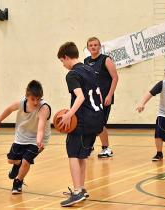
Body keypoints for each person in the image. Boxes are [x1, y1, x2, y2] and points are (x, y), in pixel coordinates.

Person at [57, 42, 104, 207]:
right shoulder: (89, 69)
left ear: (66, 57)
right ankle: (81, 188)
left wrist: (69, 114)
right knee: (82, 155)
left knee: (72, 154)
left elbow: (80, 97)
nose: (63, 65)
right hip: (97, 118)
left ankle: (77, 192)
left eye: (62, 61)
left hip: (83, 120)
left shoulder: (72, 74)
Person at [0, 80, 51, 194]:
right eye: (33, 99)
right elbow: (8, 110)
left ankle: (18, 182)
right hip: (22, 135)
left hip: (37, 138)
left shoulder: (44, 108)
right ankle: (16, 165)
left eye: (38, 99)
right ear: (27, 96)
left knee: (26, 161)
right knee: (11, 160)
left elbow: (41, 128)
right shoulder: (21, 103)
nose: (35, 102)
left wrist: (39, 142)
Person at [84, 37, 118, 158]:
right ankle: (89, 146)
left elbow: (115, 77)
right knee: (89, 122)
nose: (93, 47)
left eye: (95, 45)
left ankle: (106, 148)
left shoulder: (106, 59)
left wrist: (109, 95)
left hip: (104, 98)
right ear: (88, 48)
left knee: (100, 123)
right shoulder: (86, 61)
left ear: (99, 47)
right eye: (91, 45)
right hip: (92, 99)